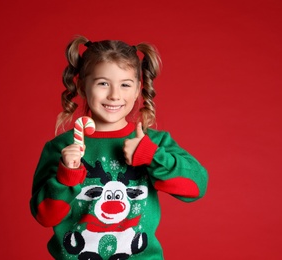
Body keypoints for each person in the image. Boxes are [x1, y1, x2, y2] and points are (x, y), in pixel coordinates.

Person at [30, 35, 208, 259]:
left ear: (137, 91)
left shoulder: (154, 143)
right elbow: (45, 216)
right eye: (103, 83)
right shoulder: (61, 148)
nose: (114, 95)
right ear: (82, 87)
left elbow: (196, 188)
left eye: (125, 85)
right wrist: (67, 175)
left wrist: (151, 156)